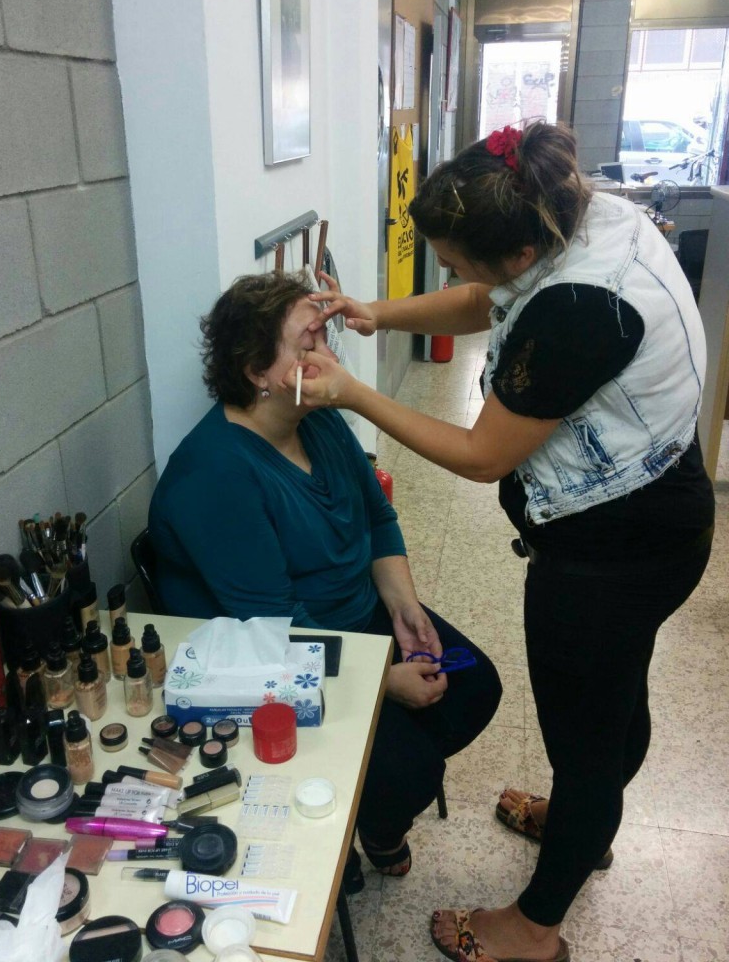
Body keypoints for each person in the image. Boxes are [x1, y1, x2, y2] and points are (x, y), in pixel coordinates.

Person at [294, 121, 714, 962]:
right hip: (658, 522)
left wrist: (354, 394)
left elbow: (485, 456)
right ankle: (580, 824)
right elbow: (491, 296)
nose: (452, 277)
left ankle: (535, 929)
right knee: (614, 704)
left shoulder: (579, 310)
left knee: (587, 743)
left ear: (518, 252)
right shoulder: (578, 214)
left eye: (454, 262)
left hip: (608, 557)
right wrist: (375, 314)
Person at [148, 271, 502, 890]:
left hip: (353, 619)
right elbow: (274, 626)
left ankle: (367, 799)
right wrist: (380, 682)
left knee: (475, 687)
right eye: (308, 342)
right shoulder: (217, 474)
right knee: (410, 770)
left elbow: (377, 517)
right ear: (258, 371)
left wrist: (405, 608)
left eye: (323, 335)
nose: (329, 357)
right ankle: (374, 820)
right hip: (282, 660)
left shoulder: (317, 417)